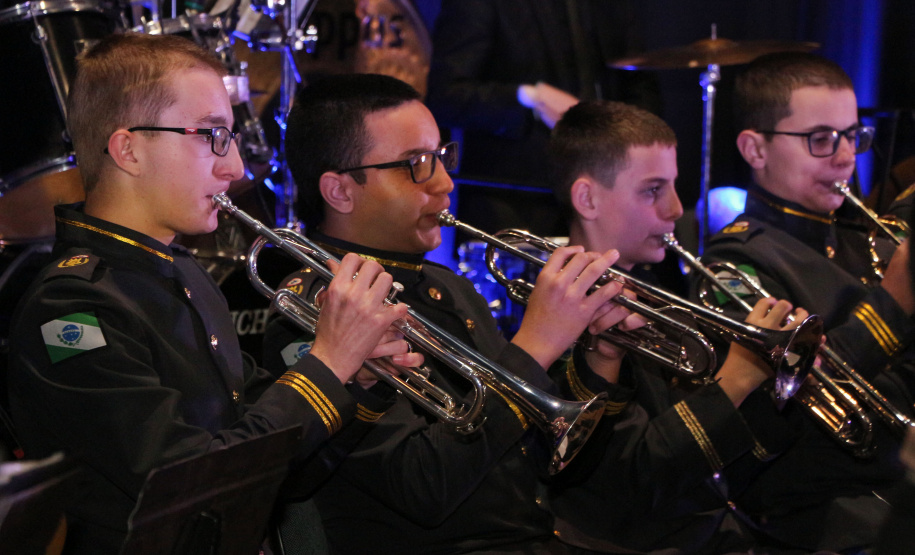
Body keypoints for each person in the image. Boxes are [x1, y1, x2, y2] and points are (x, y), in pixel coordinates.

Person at [5, 33, 420, 554]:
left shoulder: (183, 274)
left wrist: (359, 382)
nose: (236, 168)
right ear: (128, 148)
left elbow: (281, 471)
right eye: (211, 135)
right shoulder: (71, 306)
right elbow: (193, 486)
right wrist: (329, 363)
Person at [263, 72, 636, 554]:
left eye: (442, 156)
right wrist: (536, 345)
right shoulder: (316, 310)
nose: (443, 181)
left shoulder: (446, 286)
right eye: (416, 164)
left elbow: (549, 463)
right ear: (340, 191)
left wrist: (599, 358)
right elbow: (423, 489)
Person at [544, 99, 807, 553]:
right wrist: (735, 381)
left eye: (673, 187)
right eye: (651, 190)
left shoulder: (658, 292)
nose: (675, 208)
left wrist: (779, 381)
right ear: (587, 199)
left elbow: (729, 462)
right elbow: (640, 480)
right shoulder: (557, 322)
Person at [697, 51, 915, 552]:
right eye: (821, 139)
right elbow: (782, 406)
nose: (845, 157)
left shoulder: (860, 236)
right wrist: (894, 303)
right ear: (755, 149)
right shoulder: (737, 263)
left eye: (853, 136)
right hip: (821, 516)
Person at [425, 0, 660, 237]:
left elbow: (640, 82)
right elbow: (445, 96)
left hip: (605, 189)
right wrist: (530, 97)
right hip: (516, 198)